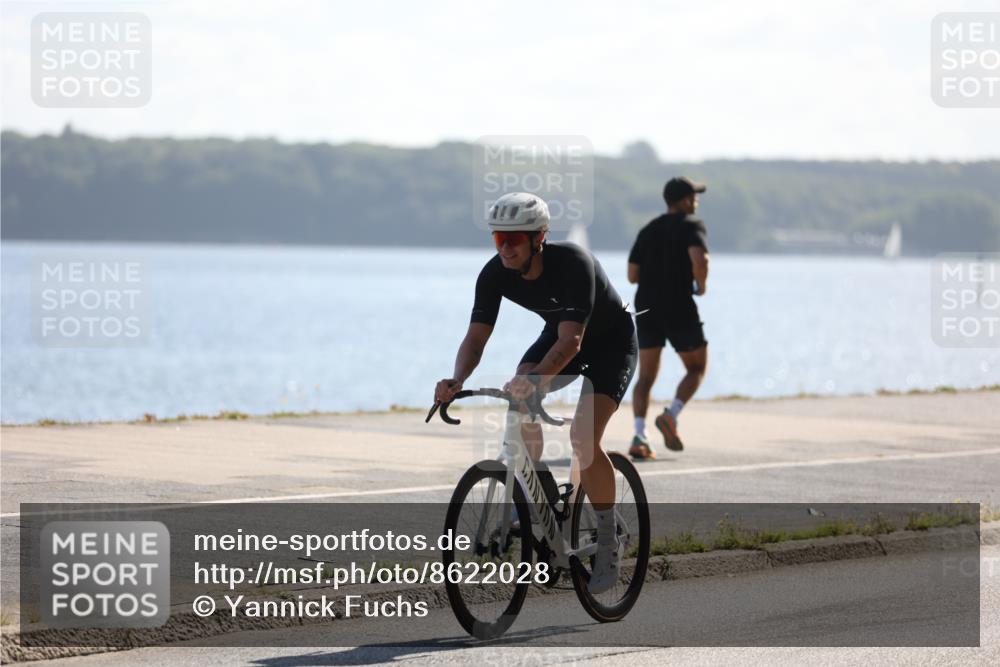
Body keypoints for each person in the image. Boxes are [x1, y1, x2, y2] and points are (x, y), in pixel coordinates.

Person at [434, 192, 637, 593]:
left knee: (583, 439)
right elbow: (475, 340)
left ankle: (608, 539)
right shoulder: (494, 274)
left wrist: (538, 378)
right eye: (498, 239)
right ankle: (533, 498)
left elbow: (573, 342)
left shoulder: (575, 264)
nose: (505, 248)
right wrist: (455, 378)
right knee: (520, 389)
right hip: (559, 336)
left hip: (608, 343)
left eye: (514, 239)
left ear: (538, 238)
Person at [626, 177, 710, 459]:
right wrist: (702, 284)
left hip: (646, 306)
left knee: (646, 376)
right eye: (694, 197)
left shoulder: (648, 229)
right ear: (684, 201)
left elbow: (632, 275)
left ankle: (639, 435)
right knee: (697, 367)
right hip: (678, 305)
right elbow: (700, 260)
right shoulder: (692, 225)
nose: (696, 202)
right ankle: (671, 415)